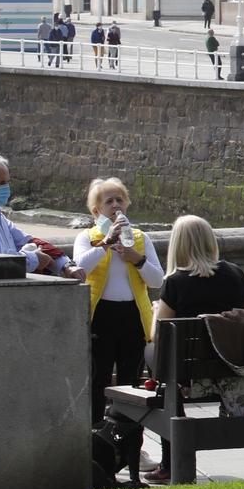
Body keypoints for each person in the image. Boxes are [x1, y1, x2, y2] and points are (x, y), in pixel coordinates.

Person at [146, 214, 244, 483]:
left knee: (152, 357)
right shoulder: (237, 275)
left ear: (177, 245)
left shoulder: (175, 283)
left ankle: (170, 462)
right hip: (232, 368)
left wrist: (156, 311)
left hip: (190, 376)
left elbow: (158, 335)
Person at [73, 177, 165, 423]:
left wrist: (137, 258)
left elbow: (157, 280)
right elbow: (78, 268)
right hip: (99, 316)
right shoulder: (87, 237)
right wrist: (105, 243)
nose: (116, 205)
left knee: (131, 382)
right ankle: (95, 438)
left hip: (133, 317)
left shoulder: (139, 238)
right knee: (97, 378)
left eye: (120, 200)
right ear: (97, 210)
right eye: (109, 201)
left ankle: (129, 443)